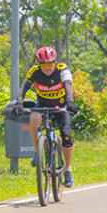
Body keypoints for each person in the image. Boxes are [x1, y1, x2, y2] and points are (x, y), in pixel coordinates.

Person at [20, 46, 79, 187]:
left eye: (50, 64)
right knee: (34, 119)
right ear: (39, 65)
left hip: (61, 106)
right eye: (44, 65)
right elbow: (24, 87)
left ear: (55, 62)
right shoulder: (34, 72)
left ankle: (67, 169)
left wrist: (70, 101)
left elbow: (68, 85)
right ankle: (36, 151)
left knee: (66, 136)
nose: (47, 68)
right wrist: (18, 102)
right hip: (43, 105)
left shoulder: (62, 69)